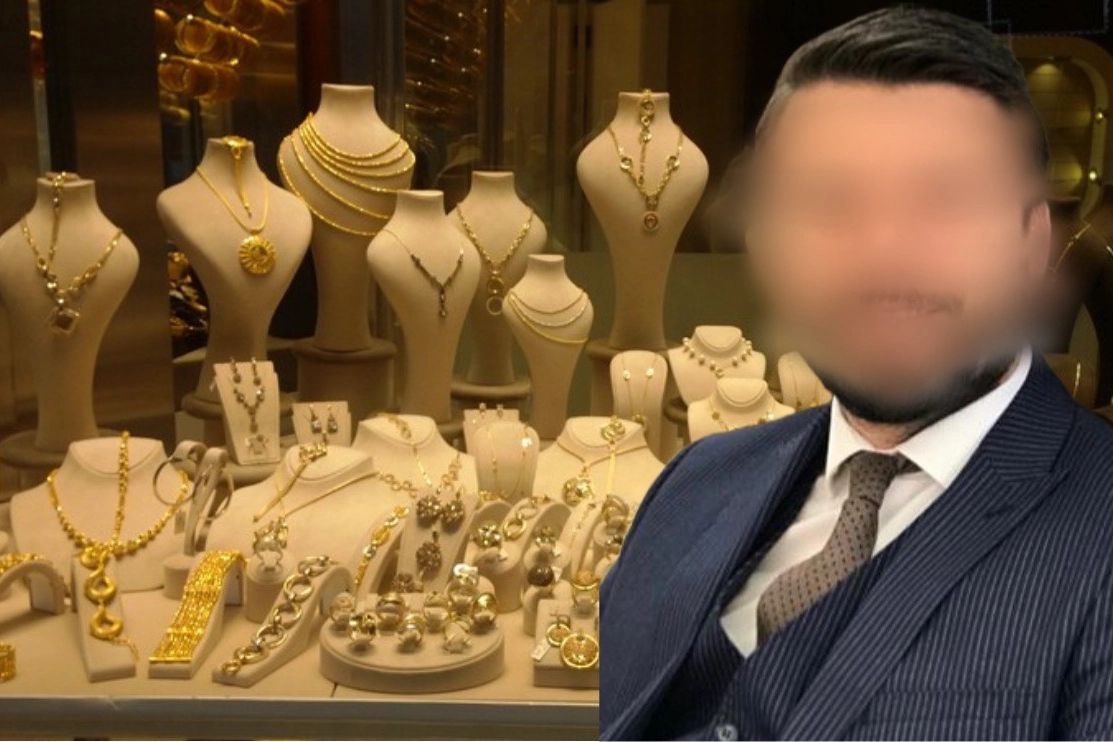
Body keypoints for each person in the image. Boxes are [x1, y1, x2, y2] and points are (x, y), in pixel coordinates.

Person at [600, 5, 1113, 740]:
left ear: (1031, 246)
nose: (882, 252)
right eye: (828, 203)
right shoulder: (693, 485)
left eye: (943, 201)